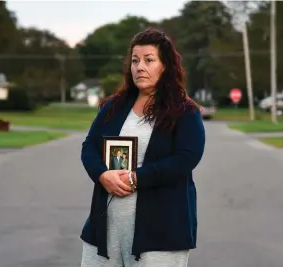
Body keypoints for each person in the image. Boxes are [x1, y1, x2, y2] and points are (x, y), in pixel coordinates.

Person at [80, 27, 205, 267]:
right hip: (105, 232)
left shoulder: (184, 111)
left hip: (160, 233)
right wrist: (102, 174)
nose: (140, 67)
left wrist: (138, 178)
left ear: (166, 65)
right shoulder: (113, 107)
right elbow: (89, 147)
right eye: (135, 61)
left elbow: (186, 158)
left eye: (149, 60)